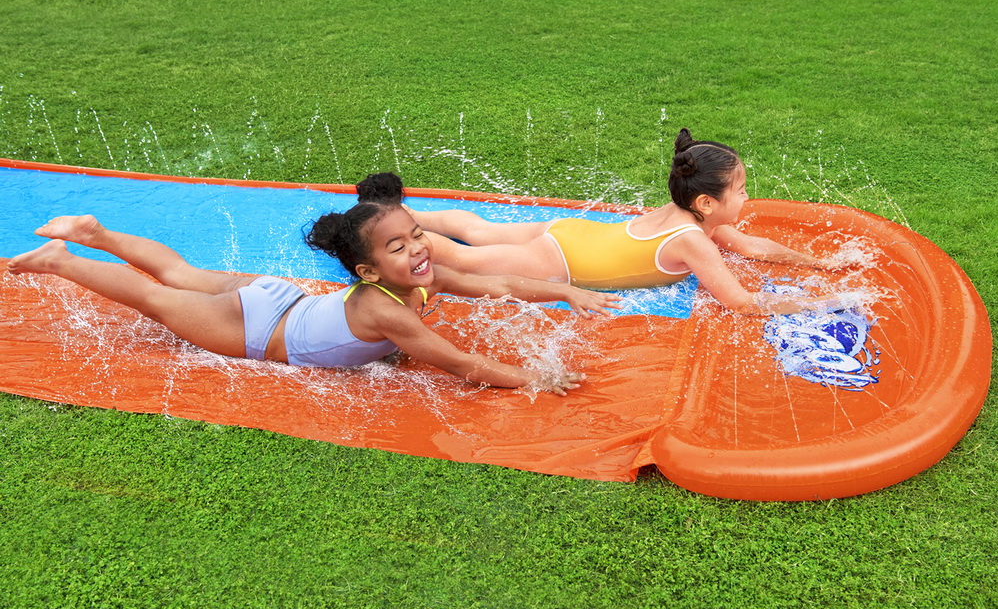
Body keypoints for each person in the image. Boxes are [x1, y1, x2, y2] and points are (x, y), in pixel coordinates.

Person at [5, 205, 621, 394]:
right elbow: (459, 364)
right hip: (254, 328)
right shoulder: (382, 307)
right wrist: (533, 378)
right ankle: (62, 259)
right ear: (367, 270)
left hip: (279, 298)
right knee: (152, 294)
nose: (418, 249)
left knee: (178, 271)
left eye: (417, 236)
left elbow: (503, 285)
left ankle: (97, 233)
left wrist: (566, 291)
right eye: (399, 247)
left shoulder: (421, 278)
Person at [357, 128, 849, 314]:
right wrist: (819, 303)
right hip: (559, 261)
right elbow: (741, 303)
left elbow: (753, 247)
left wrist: (816, 263)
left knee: (479, 230)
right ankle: (388, 227)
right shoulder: (696, 241)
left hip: (570, 232)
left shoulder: (689, 217)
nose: (746, 197)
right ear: (707, 202)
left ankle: (408, 210)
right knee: (461, 258)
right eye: (740, 190)